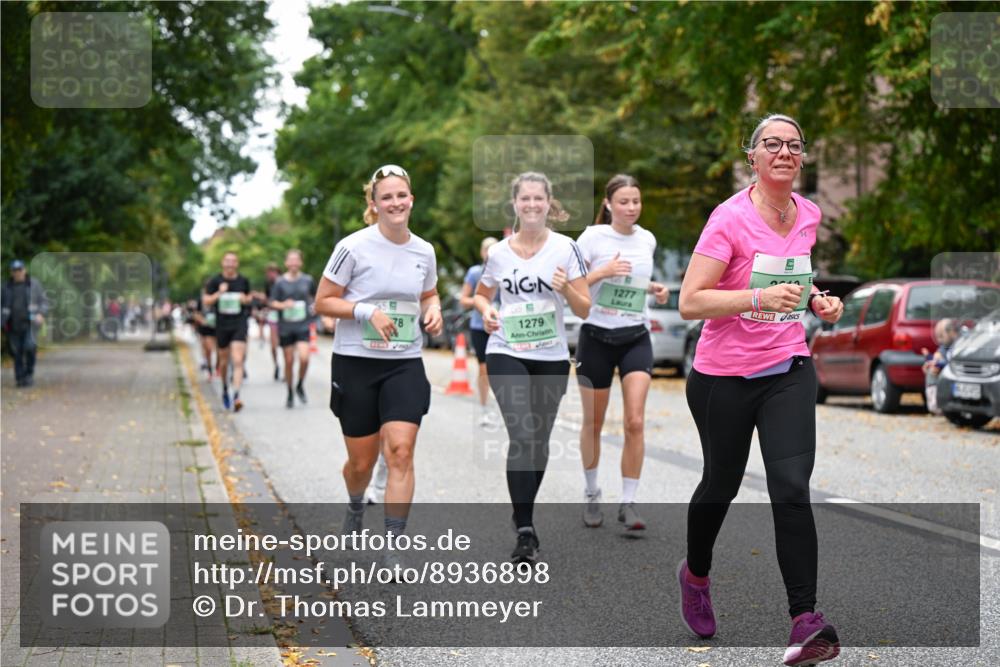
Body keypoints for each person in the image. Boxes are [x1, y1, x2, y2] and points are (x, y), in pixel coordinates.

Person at [677, 114, 844, 665]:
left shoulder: (809, 213)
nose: (784, 152)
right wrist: (752, 301)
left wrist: (816, 300)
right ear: (752, 156)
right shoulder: (727, 219)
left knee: (792, 487)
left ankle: (805, 622)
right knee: (718, 487)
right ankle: (696, 574)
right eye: (772, 144)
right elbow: (691, 301)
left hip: (788, 366)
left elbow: (792, 276)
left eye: (794, 145)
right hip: (722, 376)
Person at [314, 164, 442, 561]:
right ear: (374, 204)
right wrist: (366, 313)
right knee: (361, 463)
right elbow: (323, 302)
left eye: (401, 195)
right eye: (386, 197)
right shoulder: (352, 247)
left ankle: (394, 545)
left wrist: (434, 308)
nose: (395, 203)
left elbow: (429, 293)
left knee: (401, 451)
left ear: (411, 199)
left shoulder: (424, 250)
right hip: (356, 363)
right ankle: (355, 505)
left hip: (404, 362)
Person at [474, 171, 591, 564]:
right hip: (505, 349)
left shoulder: (566, 248)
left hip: (551, 356)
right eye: (524, 199)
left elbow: (584, 307)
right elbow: (480, 295)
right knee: (523, 434)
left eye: (538, 199)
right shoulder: (499, 253)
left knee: (538, 441)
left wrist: (566, 288)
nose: (531, 205)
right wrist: (487, 311)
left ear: (548, 202)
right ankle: (525, 529)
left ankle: (521, 509)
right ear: (515, 204)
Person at [575, 175, 670, 531]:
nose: (632, 208)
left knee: (635, 421)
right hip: (596, 337)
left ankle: (628, 502)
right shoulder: (592, 237)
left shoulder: (647, 239)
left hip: (635, 336)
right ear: (609, 204)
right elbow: (572, 285)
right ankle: (591, 492)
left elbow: (632, 283)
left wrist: (653, 289)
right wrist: (604, 271)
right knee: (594, 423)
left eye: (636, 201)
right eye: (625, 202)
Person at [202, 252, 254, 411]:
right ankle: (225, 388)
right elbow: (206, 301)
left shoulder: (243, 281)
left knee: (238, 360)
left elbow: (248, 298)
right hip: (222, 324)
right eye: (227, 261)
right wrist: (219, 293)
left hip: (239, 323)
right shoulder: (215, 281)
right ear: (222, 263)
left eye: (233, 261)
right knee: (223, 362)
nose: (230, 264)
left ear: (237, 264)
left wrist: (245, 299)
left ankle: (236, 395)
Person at [459, 237, 500, 425]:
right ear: (483, 253)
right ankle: (484, 408)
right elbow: (463, 299)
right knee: (484, 369)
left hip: (502, 327)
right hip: (479, 326)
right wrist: (481, 302)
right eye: (488, 250)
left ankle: (502, 409)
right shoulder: (475, 273)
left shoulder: (505, 271)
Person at [270, 249, 316, 408]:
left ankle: (300, 384)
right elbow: (272, 303)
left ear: (301, 263)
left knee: (304, 358)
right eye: (291, 260)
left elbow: (314, 298)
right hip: (286, 327)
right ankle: (289, 391)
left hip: (303, 325)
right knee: (289, 361)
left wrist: (315, 310)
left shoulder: (307, 280)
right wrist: (283, 305)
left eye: (297, 260)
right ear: (286, 263)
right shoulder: (279, 282)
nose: (294, 263)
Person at [2, 259, 49, 387]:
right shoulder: (6, 287)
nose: (17, 273)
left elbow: (44, 302)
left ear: (24, 270)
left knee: (29, 348)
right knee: (16, 352)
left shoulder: (34, 284)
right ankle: (20, 378)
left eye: (20, 270)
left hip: (31, 324)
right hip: (12, 325)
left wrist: (41, 313)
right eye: (15, 271)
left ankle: (29, 374)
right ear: (11, 272)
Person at [922, 318, 958, 415]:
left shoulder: (959, 343)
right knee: (931, 370)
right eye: (937, 337)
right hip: (947, 372)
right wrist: (930, 362)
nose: (939, 340)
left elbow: (952, 362)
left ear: (951, 332)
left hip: (958, 375)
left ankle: (938, 405)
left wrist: (938, 364)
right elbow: (939, 356)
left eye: (941, 336)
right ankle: (934, 403)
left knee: (935, 370)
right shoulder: (945, 345)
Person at [194, 283, 217, 380]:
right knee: (208, 349)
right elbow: (196, 314)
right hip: (205, 328)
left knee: (219, 350)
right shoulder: (201, 300)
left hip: (217, 327)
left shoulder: (218, 298)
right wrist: (203, 321)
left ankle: (218, 367)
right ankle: (209, 368)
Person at [264, 263, 282, 380]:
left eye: (273, 272)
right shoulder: (268, 285)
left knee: (286, 345)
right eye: (269, 272)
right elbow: (268, 301)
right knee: (274, 345)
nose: (271, 274)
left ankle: (287, 369)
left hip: (285, 316)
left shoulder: (285, 282)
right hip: (273, 316)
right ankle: (276, 365)